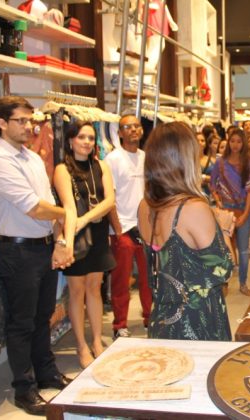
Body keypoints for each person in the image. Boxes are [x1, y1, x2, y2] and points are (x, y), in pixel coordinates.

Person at [0, 96, 73, 415]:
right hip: (17, 250)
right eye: (21, 121)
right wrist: (67, 213)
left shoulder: (33, 158)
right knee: (21, 322)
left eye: (30, 120)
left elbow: (45, 202)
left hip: (42, 246)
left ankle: (46, 372)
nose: (29, 126)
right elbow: (36, 208)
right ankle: (24, 387)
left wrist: (60, 238)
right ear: (2, 123)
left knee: (42, 316)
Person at [138, 122, 233, 341]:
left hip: (161, 320)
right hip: (198, 324)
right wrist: (225, 229)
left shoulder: (145, 206)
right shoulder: (193, 208)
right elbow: (224, 270)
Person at [53, 121, 116, 368]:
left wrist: (86, 219)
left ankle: (98, 341)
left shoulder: (101, 165)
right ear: (70, 140)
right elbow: (68, 205)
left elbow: (109, 199)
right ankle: (81, 345)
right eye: (81, 137)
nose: (87, 142)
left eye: (91, 137)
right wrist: (77, 224)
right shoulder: (62, 169)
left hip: (95, 232)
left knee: (95, 287)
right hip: (75, 235)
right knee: (77, 291)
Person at [105, 114, 152, 339]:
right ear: (120, 132)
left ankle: (150, 318)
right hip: (122, 230)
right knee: (121, 280)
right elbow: (110, 198)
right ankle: (119, 324)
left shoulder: (147, 158)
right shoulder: (113, 159)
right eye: (127, 127)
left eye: (136, 126)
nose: (133, 130)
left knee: (148, 278)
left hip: (145, 228)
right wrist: (118, 229)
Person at [210, 129, 250, 296]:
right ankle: (223, 284)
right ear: (228, 142)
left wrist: (245, 214)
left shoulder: (248, 163)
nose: (235, 144)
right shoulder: (220, 163)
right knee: (224, 249)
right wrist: (218, 202)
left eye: (239, 141)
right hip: (226, 212)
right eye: (233, 141)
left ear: (243, 143)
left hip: (244, 210)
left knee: (244, 251)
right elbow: (213, 185)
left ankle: (243, 284)